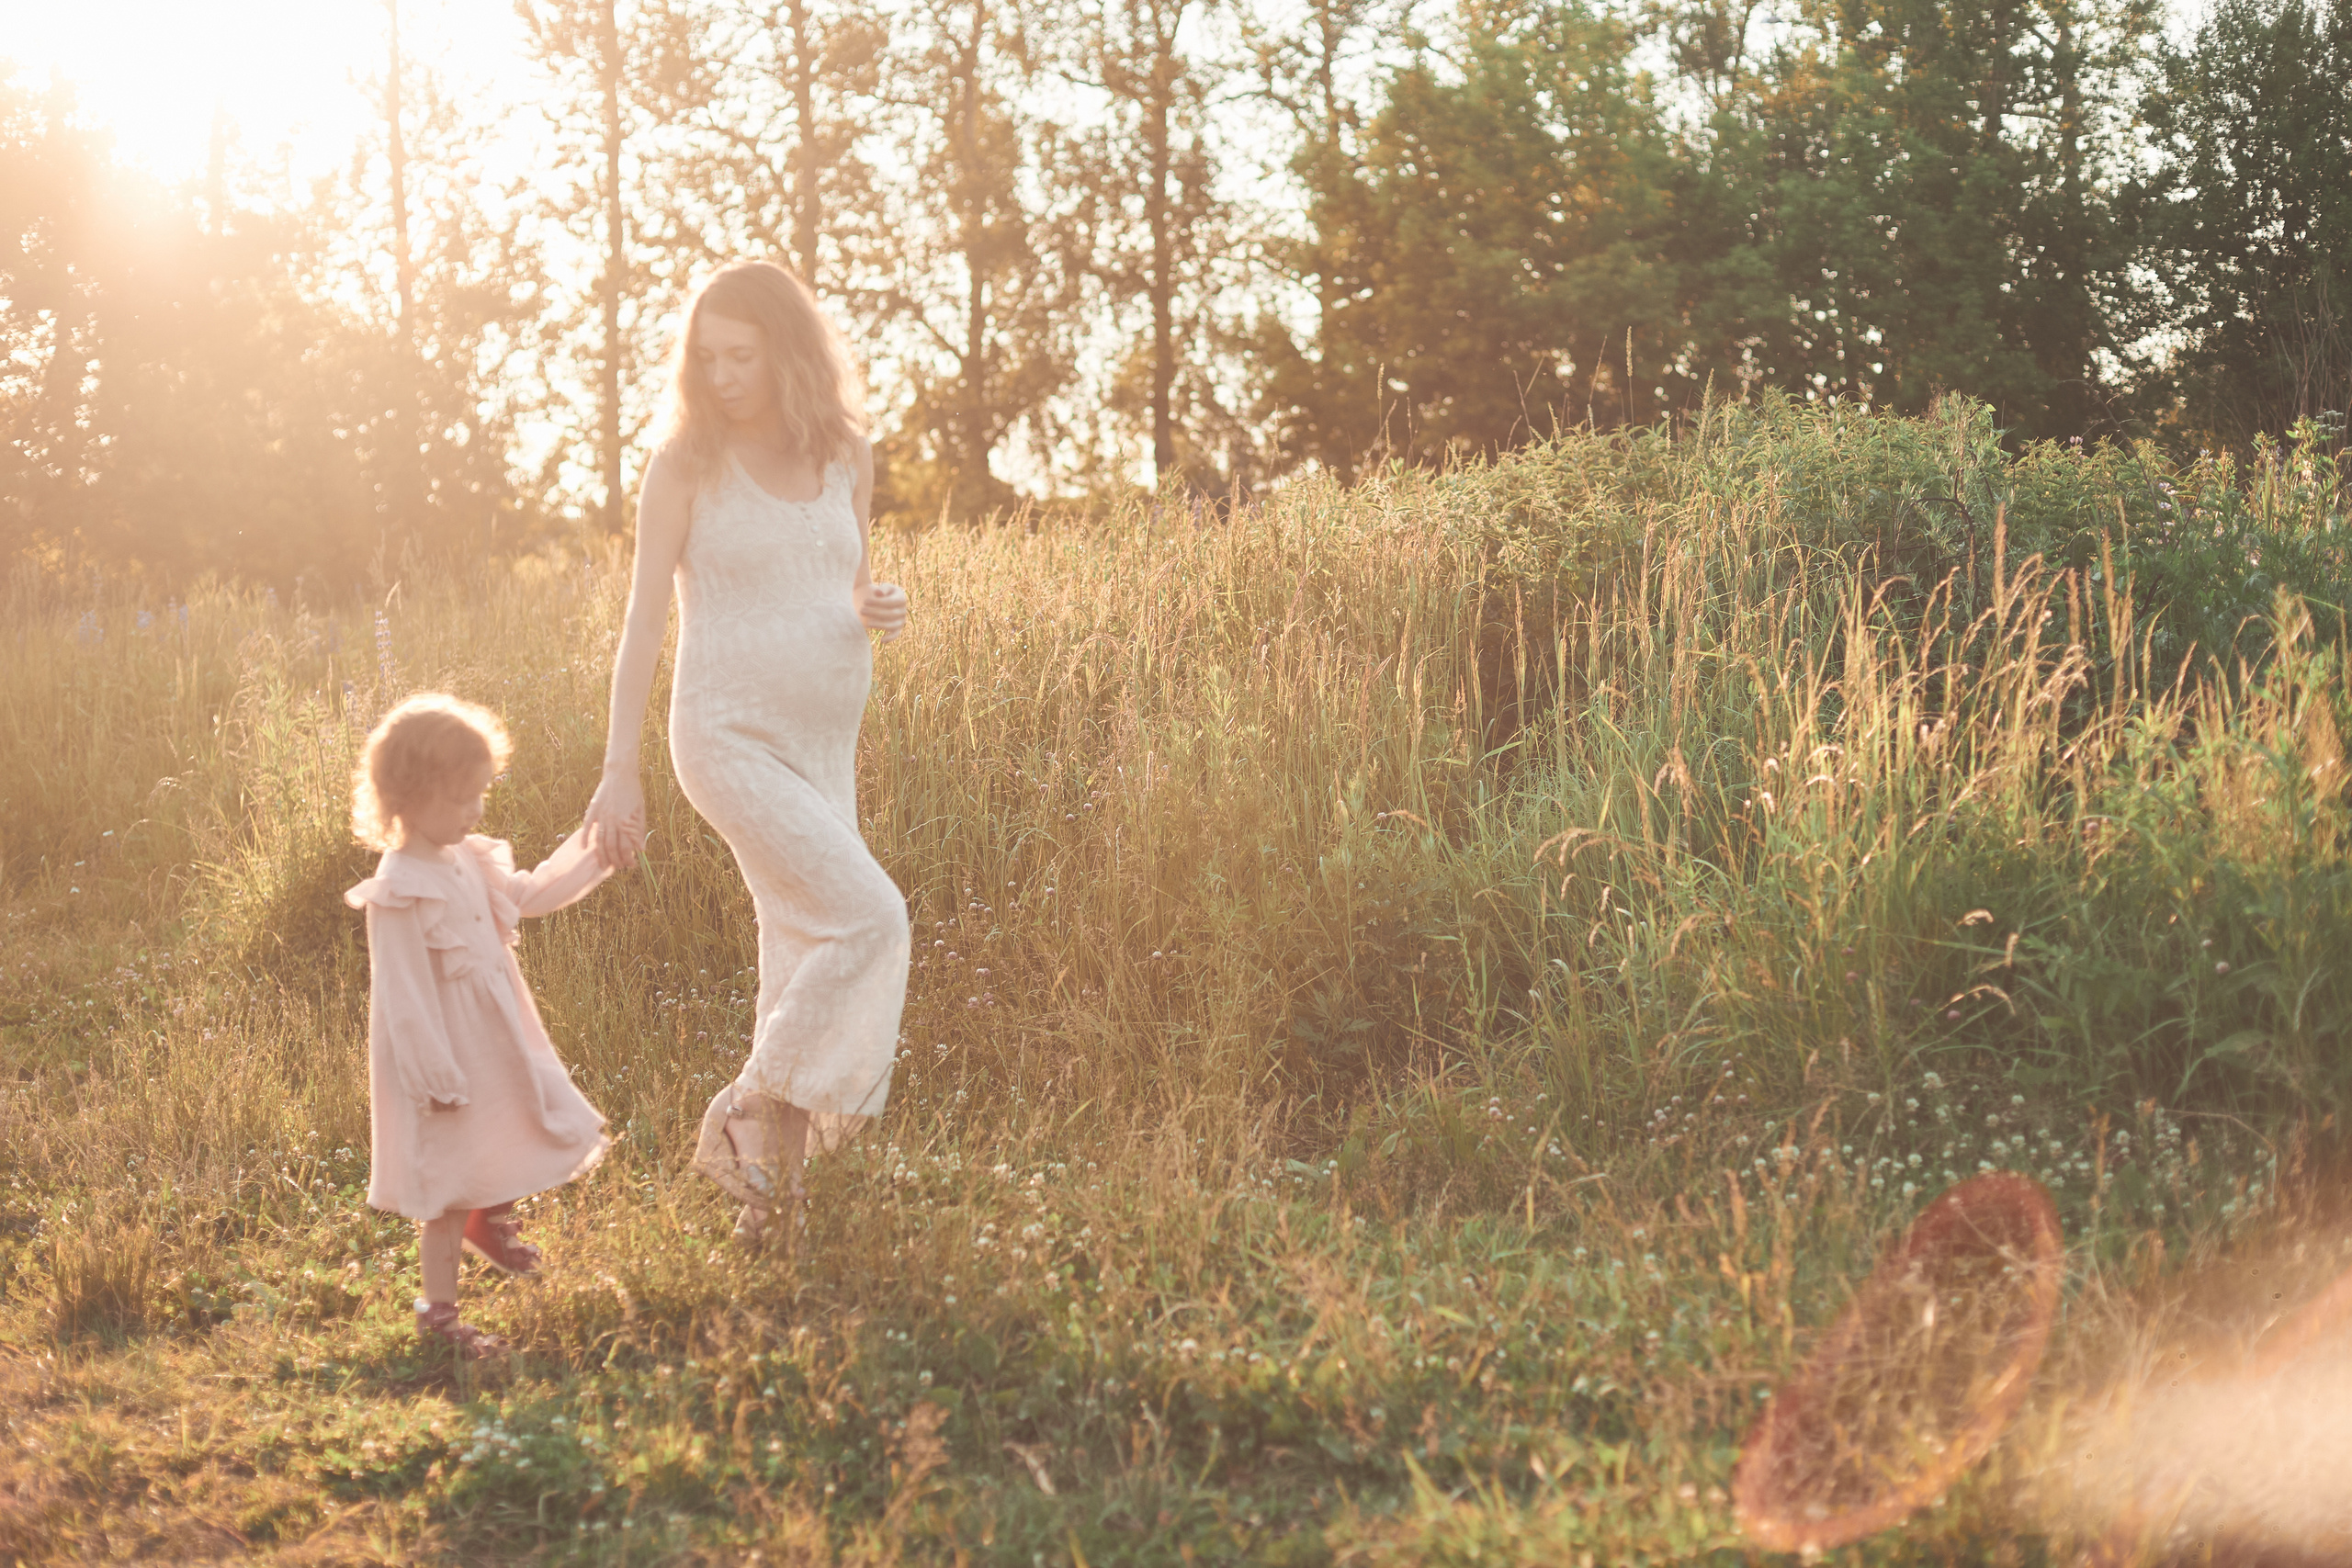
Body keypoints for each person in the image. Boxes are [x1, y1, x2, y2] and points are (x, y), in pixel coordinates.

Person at [582, 259, 911, 1246]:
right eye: (705, 356)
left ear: (786, 350)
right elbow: (644, 622)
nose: (720, 375)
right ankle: (750, 1111)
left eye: (740, 355)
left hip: (823, 739)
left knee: (802, 943)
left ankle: (771, 1218)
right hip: (723, 733)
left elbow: (844, 576)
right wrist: (618, 766)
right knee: (868, 916)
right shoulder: (685, 464)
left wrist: (875, 603)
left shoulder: (845, 451)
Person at [345, 693, 616, 1357]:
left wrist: (596, 850)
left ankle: (490, 1220)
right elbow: (403, 996)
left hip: (493, 1032)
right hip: (443, 1054)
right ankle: (438, 1313)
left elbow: (529, 895)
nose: (473, 812)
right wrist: (432, 1075)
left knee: (516, 1119)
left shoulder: (468, 857)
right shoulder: (400, 886)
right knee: (445, 1184)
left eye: (479, 798)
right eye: (460, 799)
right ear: (406, 796)